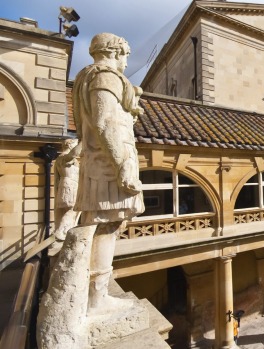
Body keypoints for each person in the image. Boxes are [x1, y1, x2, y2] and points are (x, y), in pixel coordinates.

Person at [72, 32, 145, 314]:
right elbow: (104, 123)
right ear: (115, 52)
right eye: (125, 55)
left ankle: (94, 292)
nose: (126, 63)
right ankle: (97, 297)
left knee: (102, 224)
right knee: (106, 225)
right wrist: (124, 165)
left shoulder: (87, 77)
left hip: (101, 164)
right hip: (109, 166)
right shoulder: (105, 76)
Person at [53, 138, 82, 242]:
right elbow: (74, 154)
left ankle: (65, 230)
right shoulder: (64, 157)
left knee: (71, 209)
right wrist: (84, 140)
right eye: (75, 145)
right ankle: (60, 231)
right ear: (70, 146)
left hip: (71, 185)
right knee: (72, 208)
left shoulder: (69, 159)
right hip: (69, 185)